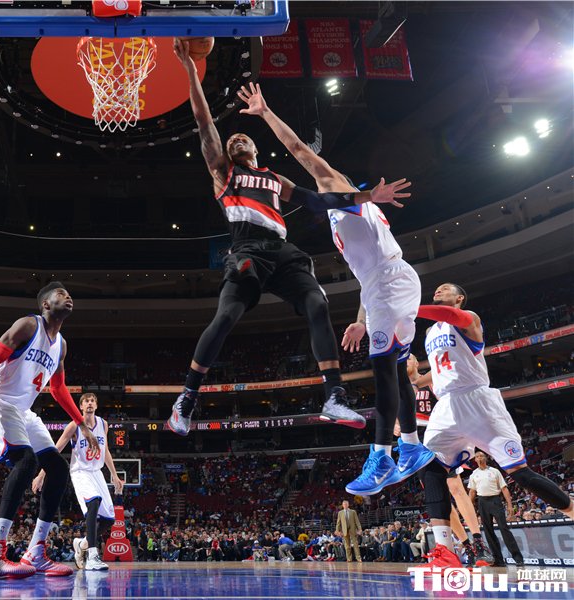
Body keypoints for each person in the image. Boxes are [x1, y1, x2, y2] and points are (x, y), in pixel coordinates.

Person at [166, 42, 412, 436]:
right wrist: (191, 71)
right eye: (232, 141)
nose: (237, 140)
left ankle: (334, 396)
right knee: (227, 316)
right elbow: (203, 120)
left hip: (283, 252)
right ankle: (187, 398)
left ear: (255, 148)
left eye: (244, 138)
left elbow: (318, 201)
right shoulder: (223, 172)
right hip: (247, 250)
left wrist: (367, 196)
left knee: (317, 302)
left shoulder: (274, 179)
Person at [237, 82, 430, 494]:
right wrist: (362, 318)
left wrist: (265, 112)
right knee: (395, 367)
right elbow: (370, 276)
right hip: (385, 285)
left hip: (390, 283)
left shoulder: (338, 189)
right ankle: (412, 446)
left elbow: (299, 150)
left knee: (384, 369)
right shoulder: (342, 215)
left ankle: (382, 455)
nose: (320, 183)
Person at [417, 283, 574, 569]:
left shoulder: (469, 319)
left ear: (459, 298)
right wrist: (413, 378)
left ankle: (572, 511)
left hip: (477, 400)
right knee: (429, 468)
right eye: (436, 289)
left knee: (520, 473)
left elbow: (453, 318)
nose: (438, 290)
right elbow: (435, 371)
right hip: (446, 406)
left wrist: (409, 308)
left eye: (445, 288)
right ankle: (445, 551)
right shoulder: (430, 334)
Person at [0, 282, 99, 580]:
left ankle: (36, 552)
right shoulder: (28, 325)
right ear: (45, 304)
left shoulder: (61, 345)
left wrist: (82, 424)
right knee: (26, 461)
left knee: (57, 468)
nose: (68, 296)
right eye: (60, 294)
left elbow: (58, 389)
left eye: (69, 293)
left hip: (23, 409)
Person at [400, 356, 492, 566]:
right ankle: (466, 545)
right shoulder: (401, 390)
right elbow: (397, 420)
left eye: (409, 358)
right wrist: (397, 425)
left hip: (440, 435)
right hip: (417, 442)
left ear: (417, 363)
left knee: (456, 488)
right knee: (439, 495)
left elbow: (451, 397)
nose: (404, 361)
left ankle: (479, 542)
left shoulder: (431, 380)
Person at [32, 393, 124, 571]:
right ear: (80, 406)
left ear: (96, 405)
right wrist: (42, 474)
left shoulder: (103, 424)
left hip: (97, 472)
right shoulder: (74, 426)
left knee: (109, 520)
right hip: (80, 471)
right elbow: (56, 449)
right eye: (86, 401)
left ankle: (81, 544)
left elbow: (105, 450)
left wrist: (114, 474)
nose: (89, 403)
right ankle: (92, 556)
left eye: (92, 401)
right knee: (93, 502)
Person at [468, 450, 524, 566]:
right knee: (488, 532)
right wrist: (469, 507)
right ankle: (498, 560)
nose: (479, 458)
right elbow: (472, 492)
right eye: (477, 456)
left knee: (504, 529)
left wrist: (509, 505)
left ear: (486, 458)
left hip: (495, 500)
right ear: (475, 460)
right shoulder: (474, 474)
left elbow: (504, 488)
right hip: (482, 502)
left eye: (481, 456)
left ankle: (518, 558)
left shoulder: (494, 471)